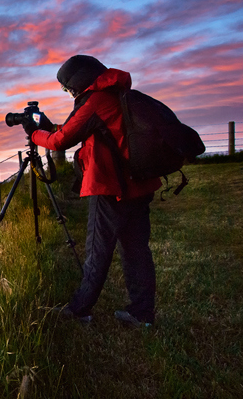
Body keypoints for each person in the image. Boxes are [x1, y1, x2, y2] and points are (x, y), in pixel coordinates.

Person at [23, 55, 162, 327]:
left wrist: (35, 134)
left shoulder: (96, 100)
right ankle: (142, 314)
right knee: (136, 251)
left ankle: (79, 310)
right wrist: (49, 127)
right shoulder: (116, 94)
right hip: (138, 184)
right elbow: (78, 129)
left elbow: (61, 141)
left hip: (110, 187)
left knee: (98, 251)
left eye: (67, 88)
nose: (68, 92)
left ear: (78, 82)